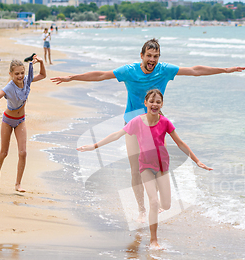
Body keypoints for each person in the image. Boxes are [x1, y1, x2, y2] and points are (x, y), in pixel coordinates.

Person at [52, 38, 244, 221]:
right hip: (133, 124)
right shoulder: (129, 71)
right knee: (136, 170)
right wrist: (72, 77)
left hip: (156, 124)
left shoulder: (164, 70)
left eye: (156, 56)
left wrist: (225, 70)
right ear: (141, 55)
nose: (152, 60)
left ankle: (156, 202)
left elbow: (194, 70)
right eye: (149, 55)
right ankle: (142, 210)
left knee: (159, 166)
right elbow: (102, 75)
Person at [77, 89, 212, 249]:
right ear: (145, 103)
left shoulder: (165, 122)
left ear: (161, 104)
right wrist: (94, 146)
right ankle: (154, 240)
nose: (155, 104)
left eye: (158, 102)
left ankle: (155, 212)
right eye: (152, 101)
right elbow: (116, 134)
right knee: (153, 202)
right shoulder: (137, 122)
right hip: (146, 166)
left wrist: (197, 161)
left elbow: (180, 143)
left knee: (166, 205)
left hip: (162, 166)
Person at [0, 55, 46, 192]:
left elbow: (42, 75)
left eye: (22, 73)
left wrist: (41, 62)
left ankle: (18, 184)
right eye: (17, 73)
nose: (20, 76)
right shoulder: (9, 87)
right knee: (4, 152)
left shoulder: (27, 81)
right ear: (11, 74)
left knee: (23, 152)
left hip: (21, 121)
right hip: (8, 120)